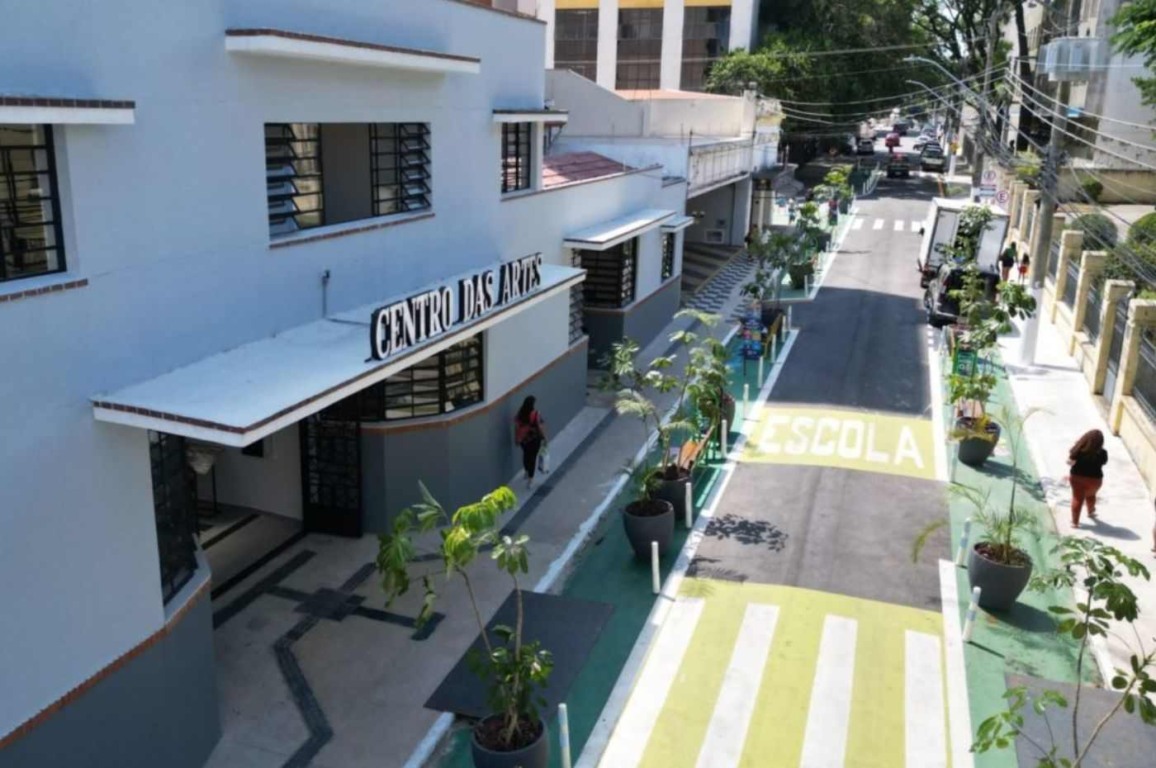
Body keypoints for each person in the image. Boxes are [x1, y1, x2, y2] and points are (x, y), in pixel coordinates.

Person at [1068, 429, 1108, 527]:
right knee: (1091, 495)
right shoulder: (1103, 453)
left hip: (1077, 478)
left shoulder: (1078, 450)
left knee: (1077, 498)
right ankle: (1091, 512)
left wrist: (1076, 445)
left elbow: (1069, 462)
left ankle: (1075, 522)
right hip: (1095, 480)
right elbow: (1104, 462)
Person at [513, 396, 547, 489]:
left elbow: (516, 427)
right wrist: (544, 437)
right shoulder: (536, 414)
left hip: (523, 440)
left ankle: (527, 471)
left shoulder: (519, 414)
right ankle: (530, 479)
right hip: (534, 439)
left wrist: (516, 438)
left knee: (526, 455)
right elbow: (540, 426)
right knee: (533, 458)